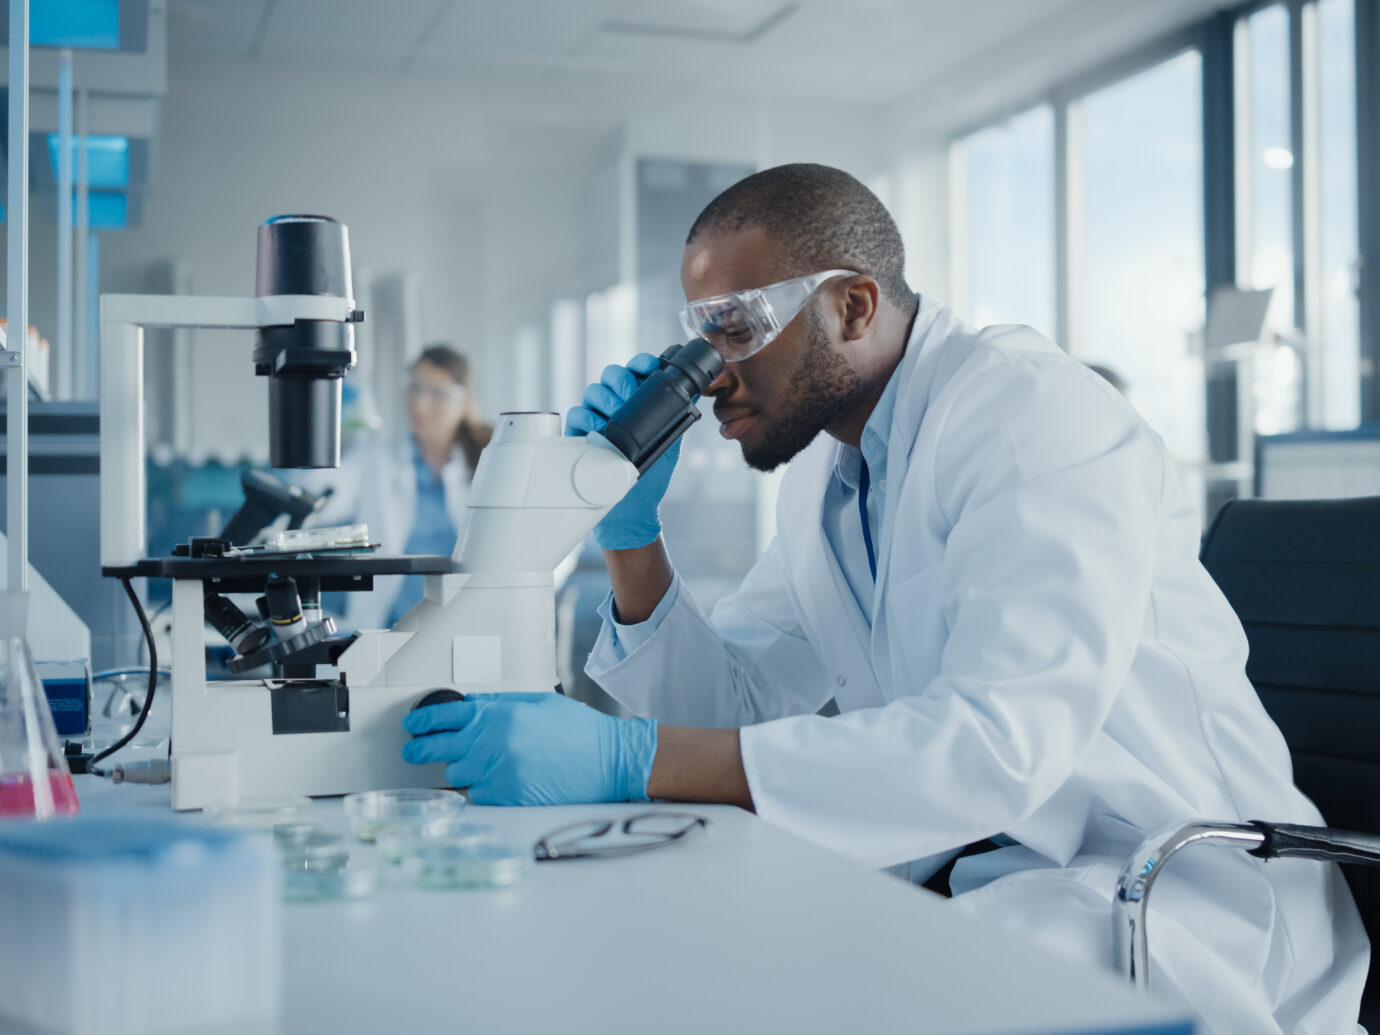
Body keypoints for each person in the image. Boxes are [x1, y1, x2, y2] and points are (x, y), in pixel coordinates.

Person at [401, 165, 1366, 1032]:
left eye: (735, 327)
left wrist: (625, 756)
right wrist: (629, 537)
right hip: (988, 875)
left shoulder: (1031, 415)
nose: (710, 379)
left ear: (853, 306)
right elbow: (728, 713)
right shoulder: (829, 480)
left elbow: (992, 744)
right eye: (697, 336)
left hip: (1167, 893)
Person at [310, 344, 490, 629]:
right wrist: (321, 423)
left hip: (465, 624)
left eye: (436, 393)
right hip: (392, 626)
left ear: (464, 401)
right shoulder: (377, 456)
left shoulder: (487, 460)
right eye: (414, 388)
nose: (419, 404)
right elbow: (318, 501)